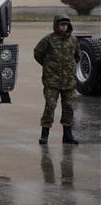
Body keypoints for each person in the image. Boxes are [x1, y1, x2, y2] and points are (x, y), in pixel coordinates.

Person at [33, 14, 80, 145]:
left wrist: (69, 68)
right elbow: (37, 53)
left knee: (69, 107)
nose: (64, 27)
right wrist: (48, 66)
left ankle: (67, 135)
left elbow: (77, 56)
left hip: (68, 82)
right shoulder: (48, 40)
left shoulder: (73, 40)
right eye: (61, 24)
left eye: (66, 25)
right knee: (50, 106)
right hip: (52, 81)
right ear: (56, 25)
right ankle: (44, 135)